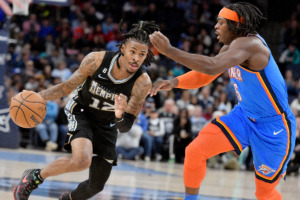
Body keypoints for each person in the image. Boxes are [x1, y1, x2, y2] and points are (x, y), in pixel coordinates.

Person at [149, 2, 296, 200]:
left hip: (274, 126)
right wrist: (174, 82)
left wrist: (169, 51)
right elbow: (205, 76)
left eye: (221, 22)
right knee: (194, 151)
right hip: (244, 116)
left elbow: (212, 65)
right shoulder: (232, 46)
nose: (215, 27)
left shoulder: (251, 45)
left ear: (236, 26)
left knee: (264, 193)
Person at [13, 20, 160, 200]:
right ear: (123, 49)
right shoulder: (96, 60)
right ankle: (34, 177)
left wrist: (120, 115)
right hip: (82, 111)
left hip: (108, 124)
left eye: (142, 54)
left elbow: (125, 127)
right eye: (133, 51)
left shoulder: (142, 82)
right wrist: (38, 97)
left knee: (96, 186)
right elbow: (66, 87)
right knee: (81, 160)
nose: (137, 58)